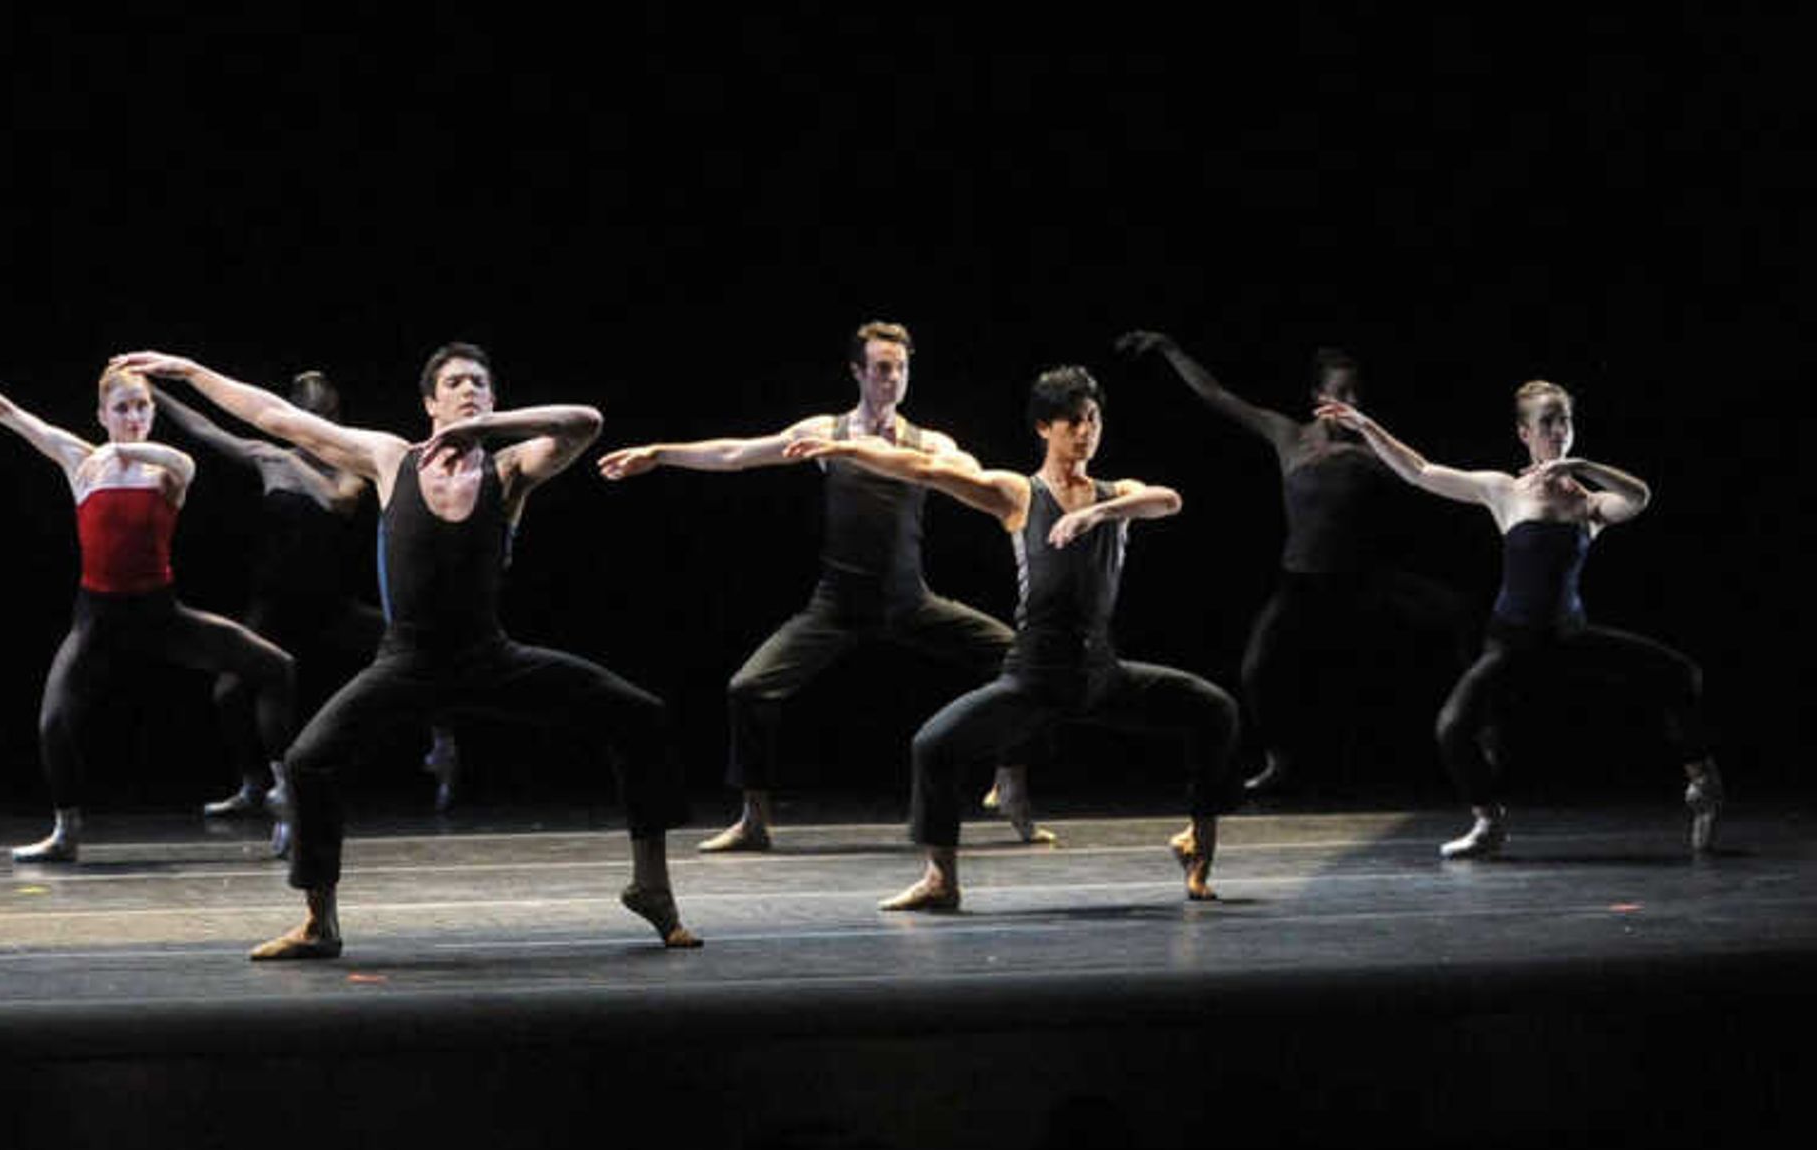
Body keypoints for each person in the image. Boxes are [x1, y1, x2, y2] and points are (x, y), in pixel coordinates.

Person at [111, 345, 696, 963]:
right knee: (309, 760)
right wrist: (193, 372)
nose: (468, 390)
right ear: (429, 402)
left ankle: (650, 886)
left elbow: (585, 421)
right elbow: (276, 418)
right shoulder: (391, 459)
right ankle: (319, 922)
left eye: (479, 383)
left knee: (639, 714)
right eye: (454, 383)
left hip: (488, 657)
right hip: (407, 662)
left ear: (494, 400)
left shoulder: (510, 468)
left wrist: (482, 428)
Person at [595, 321, 1044, 851]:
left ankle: (1011, 783)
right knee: (748, 689)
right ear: (857, 372)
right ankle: (754, 819)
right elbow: (736, 454)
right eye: (881, 368)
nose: (892, 379)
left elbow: (990, 488)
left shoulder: (932, 445)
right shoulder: (825, 435)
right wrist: (660, 452)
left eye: (901, 369)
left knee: (1024, 660)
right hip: (837, 605)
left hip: (908, 601)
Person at [827, 366, 1236, 915]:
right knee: (933, 746)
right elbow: (925, 468)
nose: (1086, 431)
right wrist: (848, 451)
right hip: (1035, 678)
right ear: (1045, 427)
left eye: (1093, 419)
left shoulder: (1119, 495)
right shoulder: (1020, 494)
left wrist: (1098, 512)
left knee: (1215, 711)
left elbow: (1169, 500)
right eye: (1073, 421)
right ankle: (940, 879)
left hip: (1100, 674)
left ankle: (1197, 845)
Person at [0, 357, 296, 862]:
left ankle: (288, 798)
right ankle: (66, 832)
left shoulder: (168, 468)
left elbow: (183, 462)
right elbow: (7, 412)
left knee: (276, 668)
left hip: (160, 615)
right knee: (53, 723)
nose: (134, 416)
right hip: (98, 620)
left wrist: (119, 449)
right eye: (122, 408)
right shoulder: (82, 462)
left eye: (142, 407)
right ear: (102, 413)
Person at [1318, 381, 1717, 858]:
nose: (1557, 431)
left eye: (1564, 420)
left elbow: (1639, 498)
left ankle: (1704, 787)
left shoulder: (1587, 503)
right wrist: (1366, 427)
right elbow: (1421, 471)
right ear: (1524, 433)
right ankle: (1488, 824)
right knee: (1452, 727)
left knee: (1680, 673)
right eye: (1546, 422)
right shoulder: (1504, 490)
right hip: (1510, 644)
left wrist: (1583, 468)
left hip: (1569, 637)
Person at [1114, 334, 1471, 795]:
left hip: (1361, 582)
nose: (1352, 402)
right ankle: (1280, 761)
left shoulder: (1372, 451)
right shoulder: (1290, 438)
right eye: (1341, 393)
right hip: (1301, 585)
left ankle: (1474, 737)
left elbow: (1428, 479)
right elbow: (1217, 396)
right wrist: (1170, 349)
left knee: (1457, 615)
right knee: (1256, 668)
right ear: (1319, 397)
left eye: (1356, 394)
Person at [150, 373, 452, 820]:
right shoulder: (270, 457)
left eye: (321, 417)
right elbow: (205, 430)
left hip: (329, 604)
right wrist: (157, 394)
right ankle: (255, 784)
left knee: (416, 654)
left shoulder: (351, 466)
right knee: (228, 692)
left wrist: (297, 464)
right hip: (272, 603)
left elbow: (338, 502)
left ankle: (443, 744)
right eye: (305, 416)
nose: (312, 424)